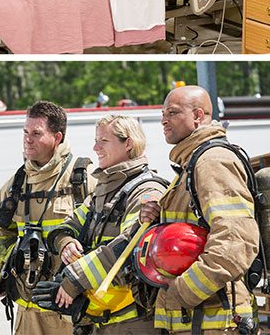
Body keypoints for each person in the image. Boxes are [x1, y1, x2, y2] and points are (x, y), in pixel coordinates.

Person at [137, 86, 258, 334]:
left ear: (198, 116)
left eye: (173, 112)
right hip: (193, 320)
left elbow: (236, 241)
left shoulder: (212, 161)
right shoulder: (190, 164)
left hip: (213, 319)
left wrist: (183, 290)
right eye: (163, 113)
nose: (164, 120)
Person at [0, 100, 90, 334]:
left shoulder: (83, 179)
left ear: (57, 138)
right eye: (25, 132)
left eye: (36, 133)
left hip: (72, 309)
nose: (27, 139)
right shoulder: (16, 184)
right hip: (29, 312)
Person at [39, 115, 166, 333]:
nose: (95, 147)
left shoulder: (146, 191)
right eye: (96, 140)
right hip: (102, 320)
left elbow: (128, 249)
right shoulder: (104, 190)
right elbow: (66, 226)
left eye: (103, 141)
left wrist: (74, 281)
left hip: (132, 324)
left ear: (128, 143)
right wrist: (66, 243)